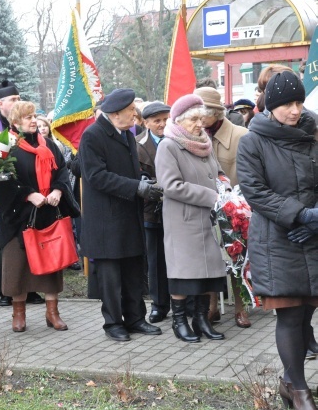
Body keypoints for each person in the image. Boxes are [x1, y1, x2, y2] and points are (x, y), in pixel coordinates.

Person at [237, 71, 318, 410]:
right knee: (289, 313)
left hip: (313, 236)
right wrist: (299, 215)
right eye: (287, 104)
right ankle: (298, 389)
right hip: (277, 238)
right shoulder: (253, 141)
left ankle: (290, 383)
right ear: (271, 106)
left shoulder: (313, 136)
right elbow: (255, 191)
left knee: (306, 314)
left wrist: (316, 220)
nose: (295, 110)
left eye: (299, 102)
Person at [78, 88, 162, 342]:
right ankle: (113, 323)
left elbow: (127, 168)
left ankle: (135, 318)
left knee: (133, 270)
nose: (135, 115)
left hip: (128, 214)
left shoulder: (126, 133)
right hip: (106, 219)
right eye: (130, 111)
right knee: (111, 275)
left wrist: (142, 180)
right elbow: (96, 176)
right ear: (115, 115)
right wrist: (135, 187)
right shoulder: (92, 136)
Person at [0, 102, 79, 332]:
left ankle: (53, 313)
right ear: (15, 123)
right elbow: (3, 181)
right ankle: (18, 314)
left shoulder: (48, 144)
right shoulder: (6, 147)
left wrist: (58, 190)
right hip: (18, 217)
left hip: (48, 212)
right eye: (27, 117)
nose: (33, 120)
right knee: (18, 267)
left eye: (34, 116)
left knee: (52, 265)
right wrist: (28, 195)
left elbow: (61, 170)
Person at [154, 94, 228, 344]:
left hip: (208, 218)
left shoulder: (203, 141)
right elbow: (171, 185)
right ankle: (179, 322)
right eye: (194, 119)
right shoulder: (169, 145)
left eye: (201, 118)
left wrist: (224, 183)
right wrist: (210, 195)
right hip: (183, 220)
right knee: (183, 274)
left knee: (207, 273)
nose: (200, 123)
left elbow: (216, 171)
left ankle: (201, 319)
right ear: (180, 120)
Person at [0, 80, 45, 307]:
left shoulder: (28, 124)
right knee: (6, 244)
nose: (18, 102)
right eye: (13, 100)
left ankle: (32, 288)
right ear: (1, 103)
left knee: (30, 239)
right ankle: (6, 290)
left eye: (19, 98)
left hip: (29, 193)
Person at [194, 86, 250, 328]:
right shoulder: (195, 135)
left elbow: (250, 175)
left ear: (216, 112)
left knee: (237, 257)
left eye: (202, 111)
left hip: (235, 209)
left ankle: (241, 308)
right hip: (205, 206)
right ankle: (212, 307)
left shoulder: (241, 135)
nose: (197, 117)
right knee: (209, 258)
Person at [135, 102, 171, 324]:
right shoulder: (138, 145)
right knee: (156, 260)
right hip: (152, 211)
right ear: (145, 123)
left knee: (178, 259)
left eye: (166, 119)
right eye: (157, 121)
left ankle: (182, 302)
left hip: (179, 210)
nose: (163, 124)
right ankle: (159, 304)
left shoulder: (178, 139)